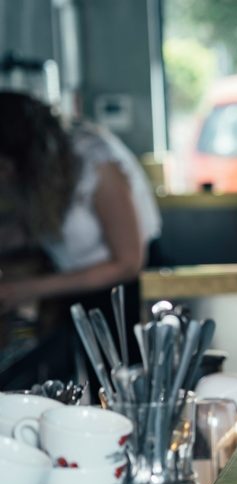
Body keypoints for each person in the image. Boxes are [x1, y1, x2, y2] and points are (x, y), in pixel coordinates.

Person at [0, 92, 161, 388]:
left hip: (122, 295)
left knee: (119, 393)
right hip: (75, 288)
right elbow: (39, 228)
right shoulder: (40, 176)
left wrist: (27, 289)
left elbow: (128, 263)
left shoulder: (94, 159)